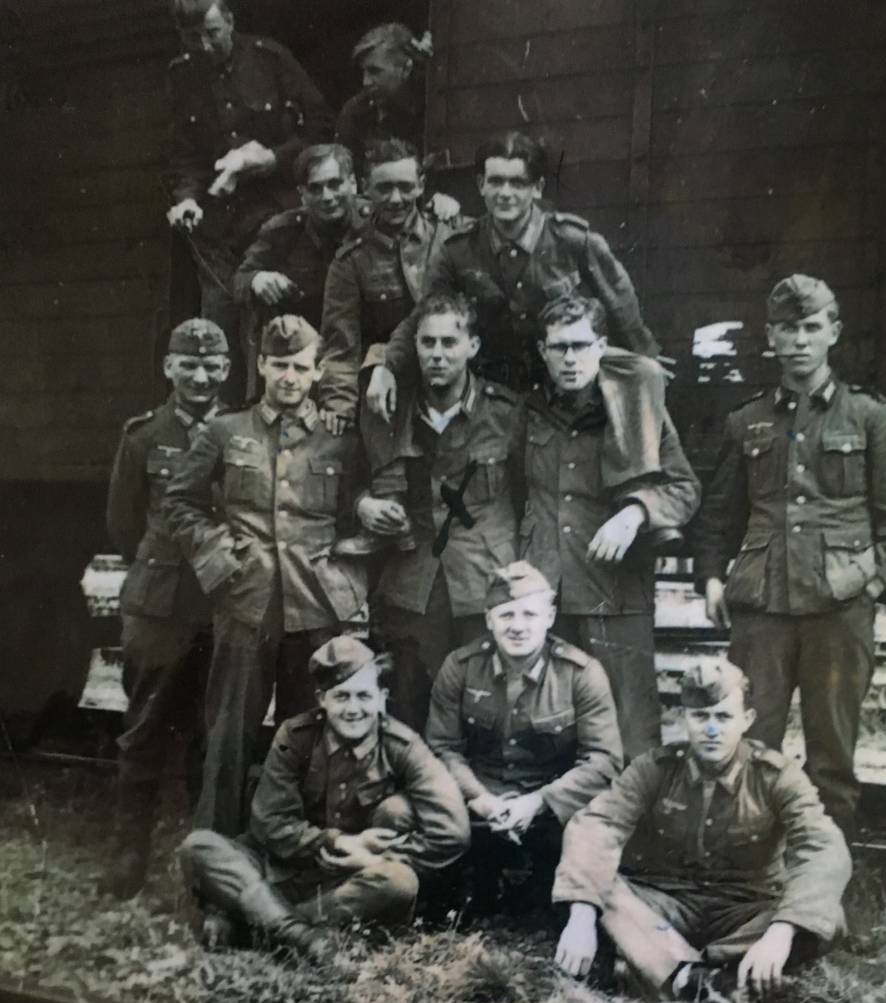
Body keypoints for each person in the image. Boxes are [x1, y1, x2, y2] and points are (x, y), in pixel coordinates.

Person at [691, 275, 886, 836]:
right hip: (762, 605)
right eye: (788, 328)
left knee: (832, 756)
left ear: (833, 333)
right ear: (771, 336)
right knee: (750, 743)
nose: (800, 340)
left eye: (812, 327)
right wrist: (711, 577)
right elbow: (720, 513)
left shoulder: (873, 418)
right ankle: (750, 862)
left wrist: (873, 587)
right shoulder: (746, 421)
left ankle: (827, 869)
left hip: (838, 608)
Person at [164, 315, 367, 837]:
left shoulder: (341, 440)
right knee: (229, 736)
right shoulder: (226, 431)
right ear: (260, 366)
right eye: (279, 365)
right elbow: (180, 502)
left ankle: (297, 850)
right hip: (246, 603)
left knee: (309, 735)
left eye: (300, 367)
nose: (289, 377)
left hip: (315, 606)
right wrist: (222, 561)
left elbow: (360, 515)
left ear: (318, 372)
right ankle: (215, 851)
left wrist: (344, 579)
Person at [552, 659, 852, 1002]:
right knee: (601, 889)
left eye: (723, 717)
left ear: (747, 720)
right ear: (684, 718)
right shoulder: (655, 768)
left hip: (745, 910)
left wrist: (780, 931)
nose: (711, 730)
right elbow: (599, 824)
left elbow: (821, 846)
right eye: (700, 716)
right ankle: (706, 978)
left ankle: (661, 964)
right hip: (667, 904)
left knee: (824, 918)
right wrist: (581, 915)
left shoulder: (776, 776)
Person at [181, 635, 470, 956]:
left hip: (346, 884)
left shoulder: (403, 746)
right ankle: (302, 936)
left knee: (400, 881)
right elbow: (270, 824)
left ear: (382, 698)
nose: (353, 709)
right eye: (341, 696)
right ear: (322, 700)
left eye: (364, 696)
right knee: (199, 847)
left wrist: (378, 859)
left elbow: (452, 830)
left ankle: (266, 923)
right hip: (282, 869)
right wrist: (337, 841)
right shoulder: (295, 737)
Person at [366, 131, 661, 419]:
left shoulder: (574, 242)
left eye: (517, 183)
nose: (505, 193)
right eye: (496, 181)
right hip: (493, 398)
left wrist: (646, 367)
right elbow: (423, 315)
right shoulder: (458, 250)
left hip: (563, 393)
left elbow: (623, 313)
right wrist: (386, 366)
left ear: (537, 188)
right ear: (481, 185)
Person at [523, 294, 701, 758]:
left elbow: (684, 488)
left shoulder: (636, 409)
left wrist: (635, 512)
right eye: (559, 347)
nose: (570, 358)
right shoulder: (529, 412)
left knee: (631, 733)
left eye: (581, 345)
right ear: (543, 351)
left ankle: (634, 809)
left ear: (602, 347)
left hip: (616, 594)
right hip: (548, 596)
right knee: (553, 730)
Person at [99, 319, 231, 899]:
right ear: (169, 367)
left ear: (227, 369)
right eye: (188, 364)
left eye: (211, 365)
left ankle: (206, 863)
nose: (200, 376)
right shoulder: (143, 435)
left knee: (210, 734)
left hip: (218, 604)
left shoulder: (239, 430)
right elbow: (124, 523)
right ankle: (129, 855)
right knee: (144, 731)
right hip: (158, 607)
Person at [357, 291, 521, 731]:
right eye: (427, 342)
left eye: (450, 342)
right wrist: (363, 503)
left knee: (482, 712)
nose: (437, 354)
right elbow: (352, 473)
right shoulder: (389, 410)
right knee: (410, 709)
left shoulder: (506, 414)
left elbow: (531, 496)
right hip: (413, 586)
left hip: (483, 582)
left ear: (473, 346)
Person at [426, 562, 622, 909]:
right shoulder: (460, 667)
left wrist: (537, 802)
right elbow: (442, 747)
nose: (518, 626)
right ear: (489, 619)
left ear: (550, 617)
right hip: (480, 802)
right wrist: (480, 798)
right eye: (506, 615)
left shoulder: (581, 673)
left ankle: (546, 891)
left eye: (529, 614)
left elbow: (604, 761)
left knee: (592, 831)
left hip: (551, 806)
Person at [165, 0, 332, 398]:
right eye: (192, 38)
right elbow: (182, 152)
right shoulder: (181, 76)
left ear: (230, 22)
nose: (204, 46)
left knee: (280, 332)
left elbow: (322, 128)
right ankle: (225, 424)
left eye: (212, 34)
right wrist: (187, 198)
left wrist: (273, 159)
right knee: (219, 335)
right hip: (219, 231)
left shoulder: (270, 59)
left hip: (276, 221)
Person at [319, 138, 462, 435]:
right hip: (389, 388)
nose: (396, 199)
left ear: (421, 185)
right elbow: (341, 344)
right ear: (365, 187)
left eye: (406, 187)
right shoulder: (351, 260)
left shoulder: (450, 236)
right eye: (384, 188)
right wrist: (339, 404)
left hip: (455, 378)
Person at [233, 143, 371, 391]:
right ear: (302, 194)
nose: (327, 197)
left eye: (335, 184)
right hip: (305, 357)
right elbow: (240, 279)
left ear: (353, 183)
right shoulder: (284, 231)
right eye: (315, 188)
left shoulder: (376, 222)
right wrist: (257, 279)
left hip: (364, 352)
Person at [334, 22, 429, 174]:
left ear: (406, 69)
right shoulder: (354, 113)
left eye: (375, 71)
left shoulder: (431, 106)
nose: (366, 82)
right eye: (364, 72)